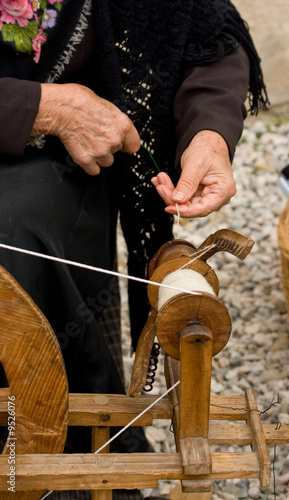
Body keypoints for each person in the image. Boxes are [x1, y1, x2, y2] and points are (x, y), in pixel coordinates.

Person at [0, 0, 268, 496]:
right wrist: (37, 106)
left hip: (48, 173)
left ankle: (77, 448)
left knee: (17, 230)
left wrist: (209, 133)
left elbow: (201, 32)